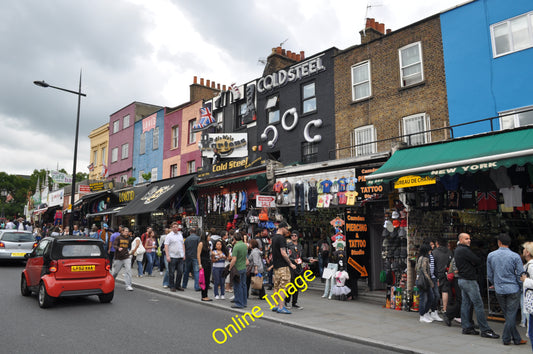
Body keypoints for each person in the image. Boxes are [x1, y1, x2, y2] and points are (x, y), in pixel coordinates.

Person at [455, 233, 499, 338]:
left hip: (462, 279)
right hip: (469, 280)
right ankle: (485, 329)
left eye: (469, 238)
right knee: (478, 304)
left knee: (466, 303)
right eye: (466, 239)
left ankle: (467, 327)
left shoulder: (457, 250)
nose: (469, 240)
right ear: (461, 240)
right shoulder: (464, 250)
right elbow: (477, 260)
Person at [487, 233, 526, 345]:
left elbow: (490, 274)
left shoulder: (491, 255)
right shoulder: (515, 256)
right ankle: (506, 338)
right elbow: (520, 274)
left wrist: (495, 283)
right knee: (511, 315)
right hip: (513, 288)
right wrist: (521, 287)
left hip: (499, 288)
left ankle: (516, 339)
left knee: (508, 315)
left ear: (499, 242)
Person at [271, 222, 296, 314]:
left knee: (276, 286)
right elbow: (283, 253)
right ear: (282, 228)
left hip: (276, 266)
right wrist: (290, 263)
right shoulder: (281, 238)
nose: (287, 231)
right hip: (283, 266)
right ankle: (281, 307)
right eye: (286, 229)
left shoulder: (274, 237)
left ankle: (275, 305)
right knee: (284, 286)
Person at [433, 238, 453, 313]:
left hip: (437, 274)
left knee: (435, 291)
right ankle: (445, 308)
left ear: (437, 243)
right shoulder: (449, 252)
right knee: (445, 291)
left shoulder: (434, 252)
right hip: (446, 274)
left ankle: (434, 308)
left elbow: (432, 265)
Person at [228, 232, 247, 308]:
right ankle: (244, 302)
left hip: (237, 268)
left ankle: (239, 302)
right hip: (243, 267)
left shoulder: (236, 246)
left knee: (237, 286)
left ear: (234, 239)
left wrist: (229, 268)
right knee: (243, 285)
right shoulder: (244, 245)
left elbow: (234, 259)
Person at [165, 222, 185, 292]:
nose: (175, 228)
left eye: (176, 227)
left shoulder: (180, 234)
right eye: (174, 227)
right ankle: (172, 286)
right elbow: (166, 246)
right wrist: (167, 256)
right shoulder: (169, 236)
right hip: (172, 256)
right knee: (172, 272)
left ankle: (178, 285)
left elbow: (182, 244)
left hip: (180, 256)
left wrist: (184, 254)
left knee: (180, 271)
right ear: (171, 228)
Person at [417, 243, 434, 323]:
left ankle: (425, 313)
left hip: (422, 280)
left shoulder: (420, 258)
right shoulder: (425, 259)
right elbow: (424, 271)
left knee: (430, 297)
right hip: (424, 281)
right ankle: (422, 315)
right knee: (424, 298)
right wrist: (430, 281)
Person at [520, 241, 533, 351]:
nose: (523, 251)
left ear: (528, 252)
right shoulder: (528, 265)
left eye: (524, 249)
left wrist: (526, 280)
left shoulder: (531, 266)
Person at [198, 232, 213, 301]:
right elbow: (198, 255)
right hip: (203, 262)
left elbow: (211, 252)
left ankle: (206, 295)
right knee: (203, 279)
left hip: (208, 262)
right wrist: (200, 264)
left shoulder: (208, 244)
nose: (209, 237)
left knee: (207, 279)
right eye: (208, 236)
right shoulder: (201, 244)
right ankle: (203, 295)